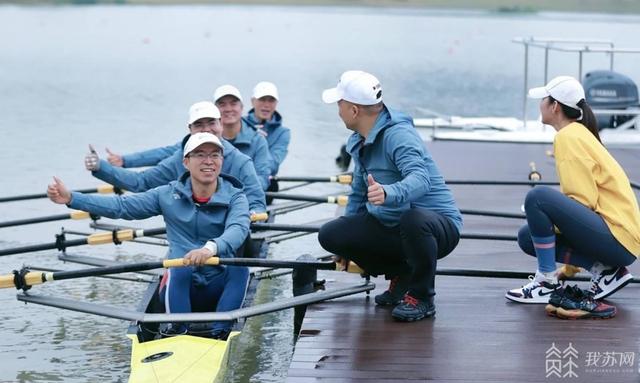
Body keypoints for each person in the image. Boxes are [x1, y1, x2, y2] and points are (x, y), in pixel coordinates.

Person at [49, 133, 250, 339]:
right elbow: (122, 206)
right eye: (200, 155)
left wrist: (209, 249)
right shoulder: (166, 195)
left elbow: (238, 229)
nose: (208, 161)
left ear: (222, 161)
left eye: (215, 155)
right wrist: (72, 198)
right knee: (178, 267)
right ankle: (178, 332)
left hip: (218, 286)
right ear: (186, 162)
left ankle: (220, 333)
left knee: (240, 270)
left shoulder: (236, 197)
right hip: (180, 283)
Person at [317, 70, 462, 322]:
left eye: (340, 104)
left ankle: (422, 297)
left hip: (437, 228)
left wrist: (388, 192)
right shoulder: (359, 140)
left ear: (353, 110)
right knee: (331, 234)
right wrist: (348, 244)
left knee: (413, 219)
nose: (337, 110)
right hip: (394, 226)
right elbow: (359, 193)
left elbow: (421, 179)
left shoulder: (398, 135)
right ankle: (402, 274)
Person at [506, 76, 639, 318]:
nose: (541, 105)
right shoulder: (578, 133)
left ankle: (546, 283)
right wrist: (568, 267)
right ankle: (606, 271)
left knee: (537, 198)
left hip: (617, 237)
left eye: (543, 100)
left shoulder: (568, 137)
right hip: (619, 239)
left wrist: (542, 215)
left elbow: (582, 202)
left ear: (554, 106)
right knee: (529, 237)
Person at [84, 101, 267, 216]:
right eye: (199, 124)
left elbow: (257, 202)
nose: (206, 129)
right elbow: (141, 182)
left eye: (211, 123)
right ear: (190, 129)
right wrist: (101, 167)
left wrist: (252, 214)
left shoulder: (241, 162)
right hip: (189, 234)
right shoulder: (179, 158)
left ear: (220, 124)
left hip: (231, 233)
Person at [214, 85, 272, 190]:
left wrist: (235, 192)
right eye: (222, 104)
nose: (228, 109)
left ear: (241, 108)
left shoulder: (258, 141)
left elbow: (263, 178)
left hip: (244, 197)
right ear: (214, 111)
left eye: (233, 104)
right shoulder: (205, 139)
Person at [244, 81, 291, 197]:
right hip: (237, 179)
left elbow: (273, 164)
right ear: (252, 101)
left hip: (264, 186)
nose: (266, 105)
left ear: (276, 103)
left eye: (271, 100)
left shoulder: (283, 133)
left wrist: (260, 142)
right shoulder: (239, 124)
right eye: (262, 99)